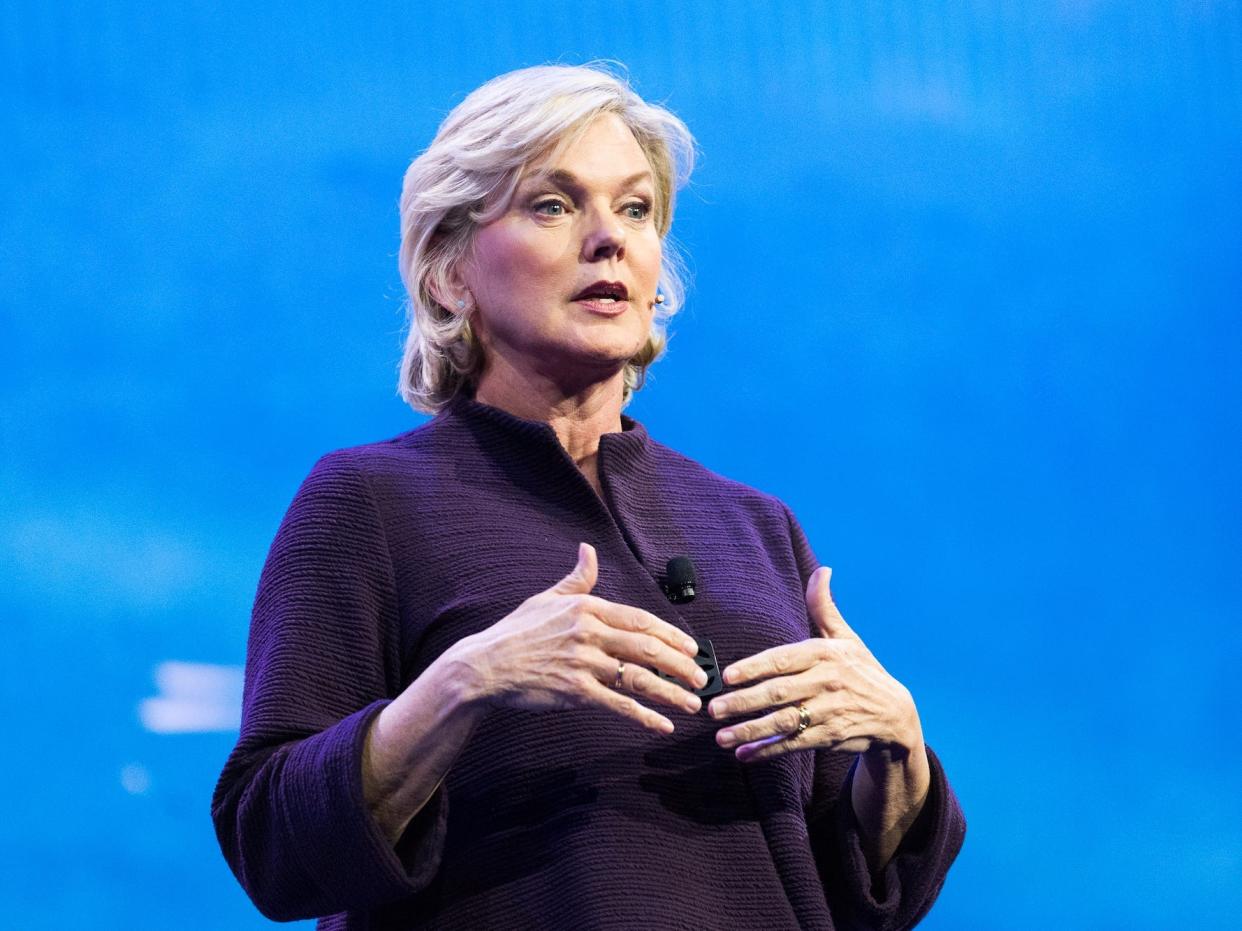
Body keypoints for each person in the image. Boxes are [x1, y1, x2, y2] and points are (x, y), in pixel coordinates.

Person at [212, 63, 965, 930]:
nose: (609, 238)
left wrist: (897, 747)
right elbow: (270, 843)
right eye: (554, 205)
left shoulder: (756, 526)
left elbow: (865, 893)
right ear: (452, 272)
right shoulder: (369, 503)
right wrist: (463, 684)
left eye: (636, 209)